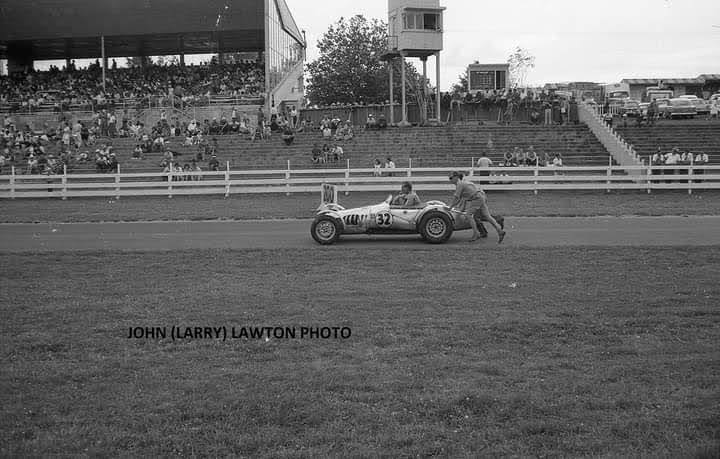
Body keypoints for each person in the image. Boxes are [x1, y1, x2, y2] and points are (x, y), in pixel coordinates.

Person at [447, 171, 506, 243]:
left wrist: (450, 207)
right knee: (487, 217)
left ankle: (476, 233)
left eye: (451, 178)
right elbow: (461, 201)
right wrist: (456, 208)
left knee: (468, 215)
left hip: (477, 198)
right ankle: (500, 231)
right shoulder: (463, 183)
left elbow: (456, 198)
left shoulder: (460, 184)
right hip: (481, 196)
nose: (450, 180)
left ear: (456, 177)